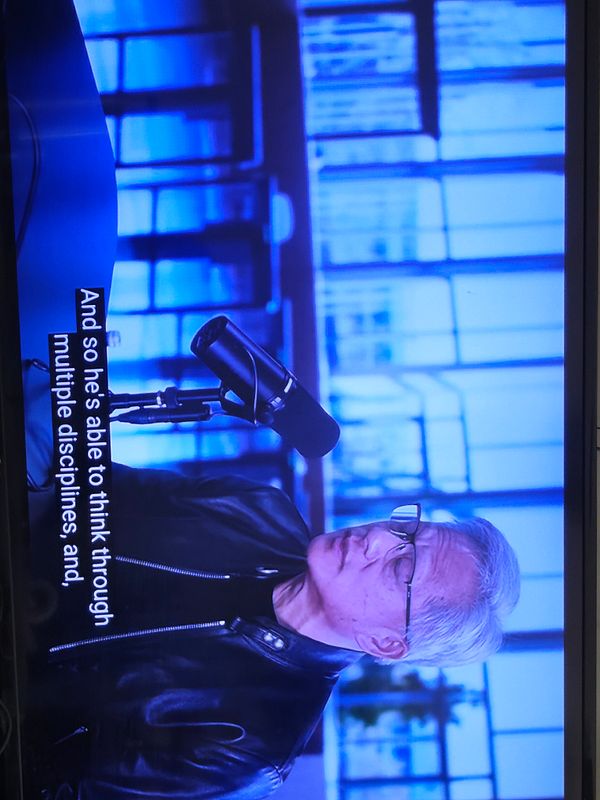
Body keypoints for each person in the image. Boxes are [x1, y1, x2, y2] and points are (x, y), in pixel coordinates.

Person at [24, 461, 520, 800]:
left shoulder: (250, 750)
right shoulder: (260, 507)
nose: (376, 539)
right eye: (406, 532)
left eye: (401, 569)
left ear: (385, 643)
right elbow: (83, 480)